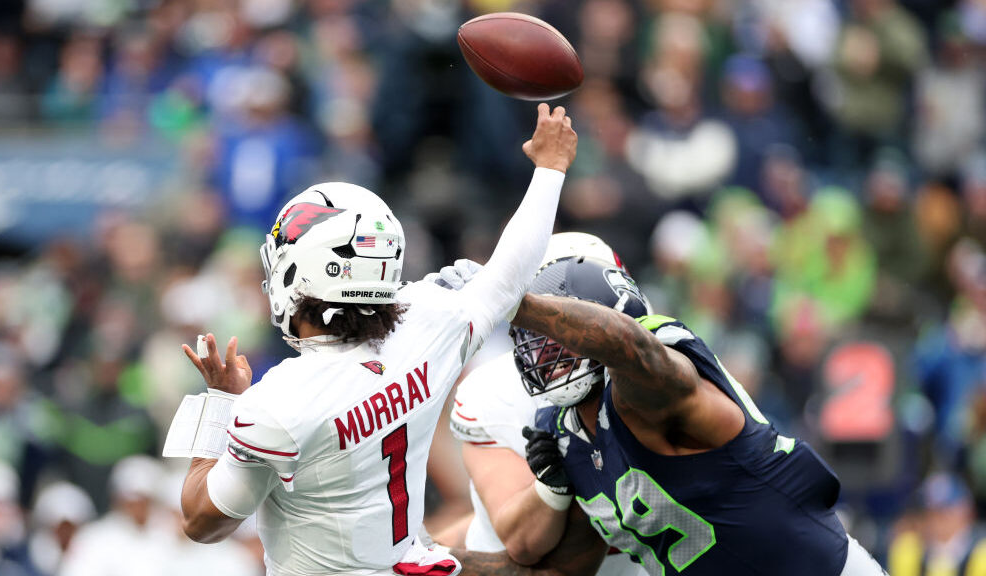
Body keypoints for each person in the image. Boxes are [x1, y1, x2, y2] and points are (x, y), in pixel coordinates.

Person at [172, 103, 578, 576]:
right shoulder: (431, 325)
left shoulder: (279, 403)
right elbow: (509, 275)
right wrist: (550, 169)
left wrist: (222, 402)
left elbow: (203, 522)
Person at [441, 256, 888, 575]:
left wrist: (519, 302)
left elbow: (629, 346)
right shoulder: (567, 438)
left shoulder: (652, 382)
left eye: (552, 338)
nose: (540, 353)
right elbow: (558, 572)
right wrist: (429, 558)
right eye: (531, 340)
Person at [444, 232, 647, 576]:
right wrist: (552, 486)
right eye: (547, 322)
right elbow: (520, 543)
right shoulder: (493, 392)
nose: (558, 342)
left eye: (577, 315)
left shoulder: (651, 379)